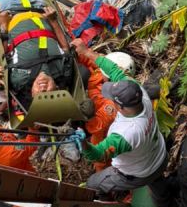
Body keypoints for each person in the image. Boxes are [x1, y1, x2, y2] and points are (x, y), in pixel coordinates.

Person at [80, 79, 167, 195]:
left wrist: (82, 142)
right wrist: (95, 59)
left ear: (120, 107)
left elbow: (97, 155)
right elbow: (116, 71)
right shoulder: (142, 93)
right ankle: (165, 202)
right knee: (158, 185)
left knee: (93, 184)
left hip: (140, 173)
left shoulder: (126, 134)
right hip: (160, 156)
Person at [72, 41, 137, 171]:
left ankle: (101, 172)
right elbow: (92, 61)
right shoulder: (103, 70)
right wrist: (76, 52)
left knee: (100, 151)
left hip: (103, 128)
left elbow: (98, 125)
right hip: (94, 103)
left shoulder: (114, 103)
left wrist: (90, 117)